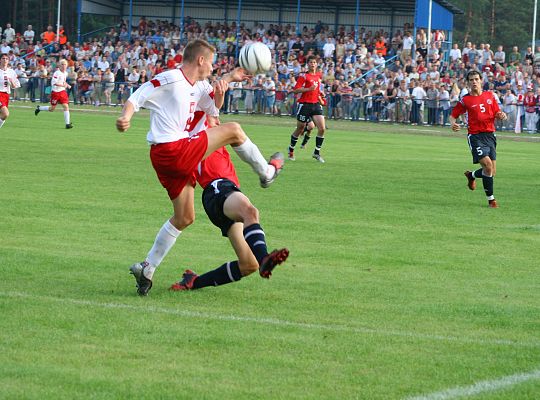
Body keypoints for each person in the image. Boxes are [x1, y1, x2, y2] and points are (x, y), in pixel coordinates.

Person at [115, 39, 284, 296]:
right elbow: (137, 97)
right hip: (173, 150)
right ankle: (267, 173)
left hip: (172, 158)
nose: (213, 67)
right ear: (201, 60)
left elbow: (211, 110)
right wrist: (125, 117)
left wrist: (226, 84)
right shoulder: (172, 78)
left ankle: (147, 268)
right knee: (234, 130)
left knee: (184, 217)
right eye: (212, 62)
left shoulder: (200, 86)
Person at [170, 112, 289, 291]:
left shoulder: (215, 136)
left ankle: (193, 282)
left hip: (222, 196)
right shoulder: (197, 137)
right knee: (250, 212)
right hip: (217, 188)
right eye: (213, 117)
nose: (218, 120)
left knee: (249, 264)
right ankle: (265, 257)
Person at [449, 70, 507, 208]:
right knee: (487, 166)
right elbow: (453, 115)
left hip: (490, 135)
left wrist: (501, 115)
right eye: (471, 80)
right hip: (475, 136)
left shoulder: (490, 96)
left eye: (476, 79)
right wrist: (453, 124)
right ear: (468, 83)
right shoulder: (465, 100)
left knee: (492, 171)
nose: (474, 82)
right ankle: (491, 200)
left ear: (481, 80)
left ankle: (472, 175)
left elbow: (497, 112)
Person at [287, 56, 327, 163]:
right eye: (310, 62)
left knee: (322, 129)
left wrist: (320, 93)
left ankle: (316, 153)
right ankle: (291, 150)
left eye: (314, 62)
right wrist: (308, 89)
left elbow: (317, 89)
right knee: (300, 129)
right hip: (305, 105)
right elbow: (295, 90)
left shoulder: (319, 76)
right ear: (307, 64)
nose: (312, 64)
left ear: (316, 64)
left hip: (316, 104)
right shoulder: (303, 76)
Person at [34, 59, 73, 129]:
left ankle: (67, 124)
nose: (64, 66)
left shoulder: (65, 73)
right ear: (60, 65)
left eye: (65, 64)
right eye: (62, 64)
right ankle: (39, 108)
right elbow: (54, 83)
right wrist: (63, 85)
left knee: (66, 106)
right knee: (52, 109)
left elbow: (63, 81)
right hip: (55, 92)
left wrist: (67, 85)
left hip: (62, 92)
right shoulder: (57, 73)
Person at [0, 53, 21, 128]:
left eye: (6, 59)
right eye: (3, 58)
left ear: (8, 61)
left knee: (3, 116)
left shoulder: (11, 72)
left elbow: (15, 86)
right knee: (6, 113)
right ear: (0, 60)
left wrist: (11, 82)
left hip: (6, 95)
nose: (5, 60)